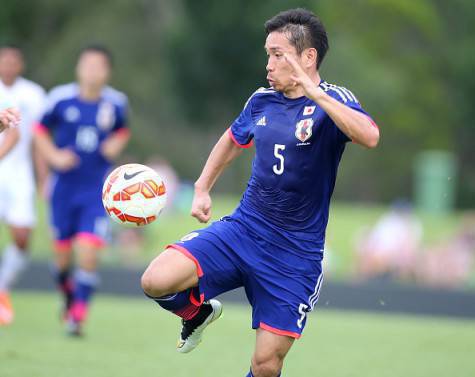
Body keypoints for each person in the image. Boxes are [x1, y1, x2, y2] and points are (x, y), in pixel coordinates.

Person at [141, 8, 379, 377]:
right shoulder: (261, 100)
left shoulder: (333, 99)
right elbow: (231, 140)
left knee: (266, 365)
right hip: (243, 231)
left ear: (308, 57)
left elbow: (369, 136)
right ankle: (198, 311)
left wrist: (317, 96)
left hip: (294, 256)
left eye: (277, 54)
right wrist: (203, 187)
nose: (268, 64)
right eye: (268, 53)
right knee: (155, 280)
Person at [34, 45, 130, 336]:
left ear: (107, 72)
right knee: (62, 260)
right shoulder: (60, 98)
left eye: (98, 66)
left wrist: (115, 144)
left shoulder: (116, 103)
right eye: (86, 65)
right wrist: (54, 157)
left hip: (96, 190)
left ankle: (77, 318)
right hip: (63, 189)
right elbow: (38, 131)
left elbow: (122, 130)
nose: (91, 71)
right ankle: (68, 298)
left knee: (88, 253)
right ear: (78, 68)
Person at [0, 45, 45, 326]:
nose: (9, 65)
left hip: (19, 175)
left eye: (14, 61)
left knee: (22, 237)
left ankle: (2, 288)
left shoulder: (34, 94)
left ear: (21, 65)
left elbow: (35, 138)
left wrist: (44, 179)